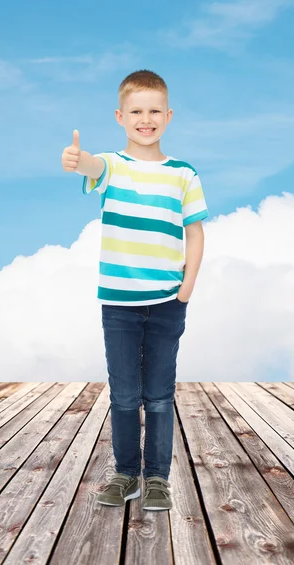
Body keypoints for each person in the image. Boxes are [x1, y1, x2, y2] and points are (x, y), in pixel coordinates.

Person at [61, 69, 208, 511]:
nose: (146, 119)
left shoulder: (183, 174)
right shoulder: (113, 166)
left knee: (160, 396)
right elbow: (91, 165)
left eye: (155, 111)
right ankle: (126, 475)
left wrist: (186, 288)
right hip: (119, 304)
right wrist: (77, 158)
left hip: (167, 302)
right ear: (121, 116)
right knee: (124, 395)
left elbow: (195, 233)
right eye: (137, 111)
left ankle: (158, 479)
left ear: (169, 115)